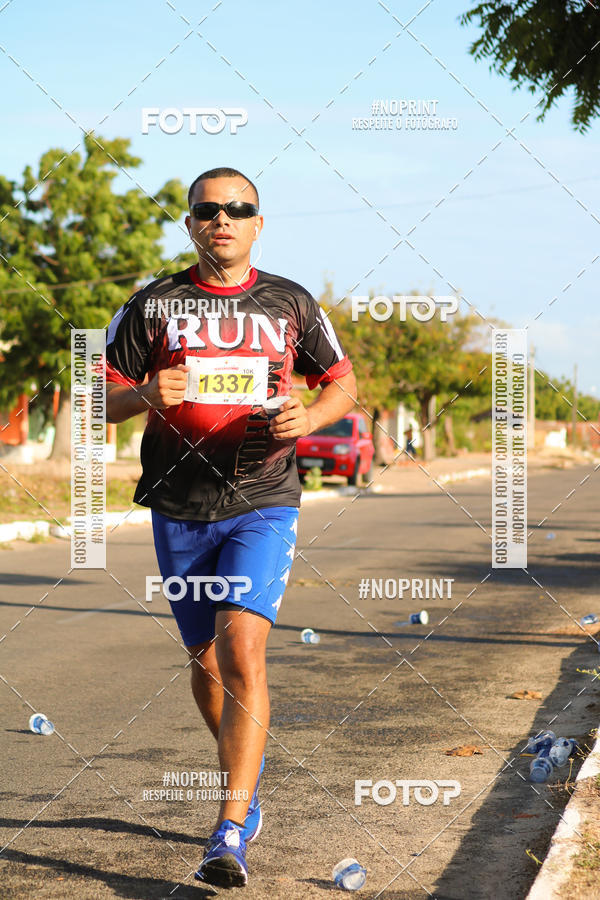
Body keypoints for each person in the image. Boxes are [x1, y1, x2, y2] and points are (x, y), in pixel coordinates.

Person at [105, 167, 357, 888]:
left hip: (264, 497)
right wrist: (147, 393)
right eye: (208, 210)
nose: (223, 219)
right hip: (178, 505)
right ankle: (244, 768)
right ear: (190, 224)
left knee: (243, 647)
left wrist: (309, 417)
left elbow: (341, 382)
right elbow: (102, 396)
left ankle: (229, 829)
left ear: (259, 223)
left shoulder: (290, 302)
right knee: (208, 663)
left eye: (238, 209)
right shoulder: (154, 305)